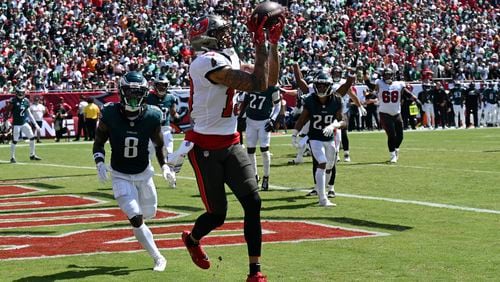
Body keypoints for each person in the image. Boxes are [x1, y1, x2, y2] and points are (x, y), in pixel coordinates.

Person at [171, 13, 284, 282]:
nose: (227, 37)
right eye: (221, 33)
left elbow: (268, 82)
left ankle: (255, 273)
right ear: (207, 38)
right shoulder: (204, 62)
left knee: (253, 202)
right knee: (217, 215)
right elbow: (256, 84)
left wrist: (272, 45)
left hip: (232, 142)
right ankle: (193, 239)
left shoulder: (227, 57)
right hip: (205, 147)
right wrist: (259, 44)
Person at [92, 71, 175, 272]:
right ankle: (158, 257)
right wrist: (100, 162)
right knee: (136, 217)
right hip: (120, 174)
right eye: (130, 93)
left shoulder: (153, 115)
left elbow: (158, 144)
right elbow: (98, 143)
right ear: (121, 92)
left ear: (145, 94)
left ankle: (145, 232)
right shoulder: (110, 113)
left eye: (138, 93)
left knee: (149, 213)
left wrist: (164, 166)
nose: (133, 97)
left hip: (144, 173)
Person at [292, 70, 355, 206]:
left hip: (330, 138)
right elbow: (302, 118)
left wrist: (335, 125)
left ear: (329, 86)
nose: (321, 88)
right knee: (321, 162)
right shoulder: (310, 100)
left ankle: (325, 190)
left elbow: (344, 121)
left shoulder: (336, 99)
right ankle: (322, 198)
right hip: (315, 137)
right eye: (319, 85)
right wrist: (294, 133)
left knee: (330, 165)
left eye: (323, 85)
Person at [238, 38, 281, 191]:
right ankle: (254, 176)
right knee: (250, 151)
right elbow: (244, 101)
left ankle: (266, 176)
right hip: (251, 120)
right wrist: (241, 117)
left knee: (264, 150)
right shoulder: (251, 83)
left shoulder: (272, 87)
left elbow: (278, 105)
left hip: (263, 121)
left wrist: (273, 119)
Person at [364, 68, 421, 163]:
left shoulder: (398, 84)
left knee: (400, 136)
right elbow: (370, 85)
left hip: (397, 113)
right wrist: (365, 76)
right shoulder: (380, 84)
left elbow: (406, 92)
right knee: (391, 135)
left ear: (392, 75)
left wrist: (415, 98)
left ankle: (396, 149)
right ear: (383, 76)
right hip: (384, 113)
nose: (387, 77)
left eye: (389, 75)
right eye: (386, 75)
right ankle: (392, 155)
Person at [145, 74, 179, 163]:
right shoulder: (148, 97)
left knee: (169, 153)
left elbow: (173, 113)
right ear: (155, 86)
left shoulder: (170, 97)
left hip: (165, 128)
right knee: (148, 154)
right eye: (159, 85)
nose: (162, 87)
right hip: (151, 129)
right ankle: (145, 173)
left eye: (164, 85)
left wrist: (176, 117)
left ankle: (171, 172)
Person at [5, 86, 41, 163]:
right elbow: (7, 112)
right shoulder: (13, 101)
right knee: (15, 140)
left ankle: (32, 155)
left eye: (22, 92)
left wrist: (35, 124)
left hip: (24, 123)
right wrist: (6, 120)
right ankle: (12, 157)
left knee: (32, 137)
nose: (21, 94)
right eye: (20, 92)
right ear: (17, 93)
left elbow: (29, 113)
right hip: (16, 124)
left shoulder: (26, 101)